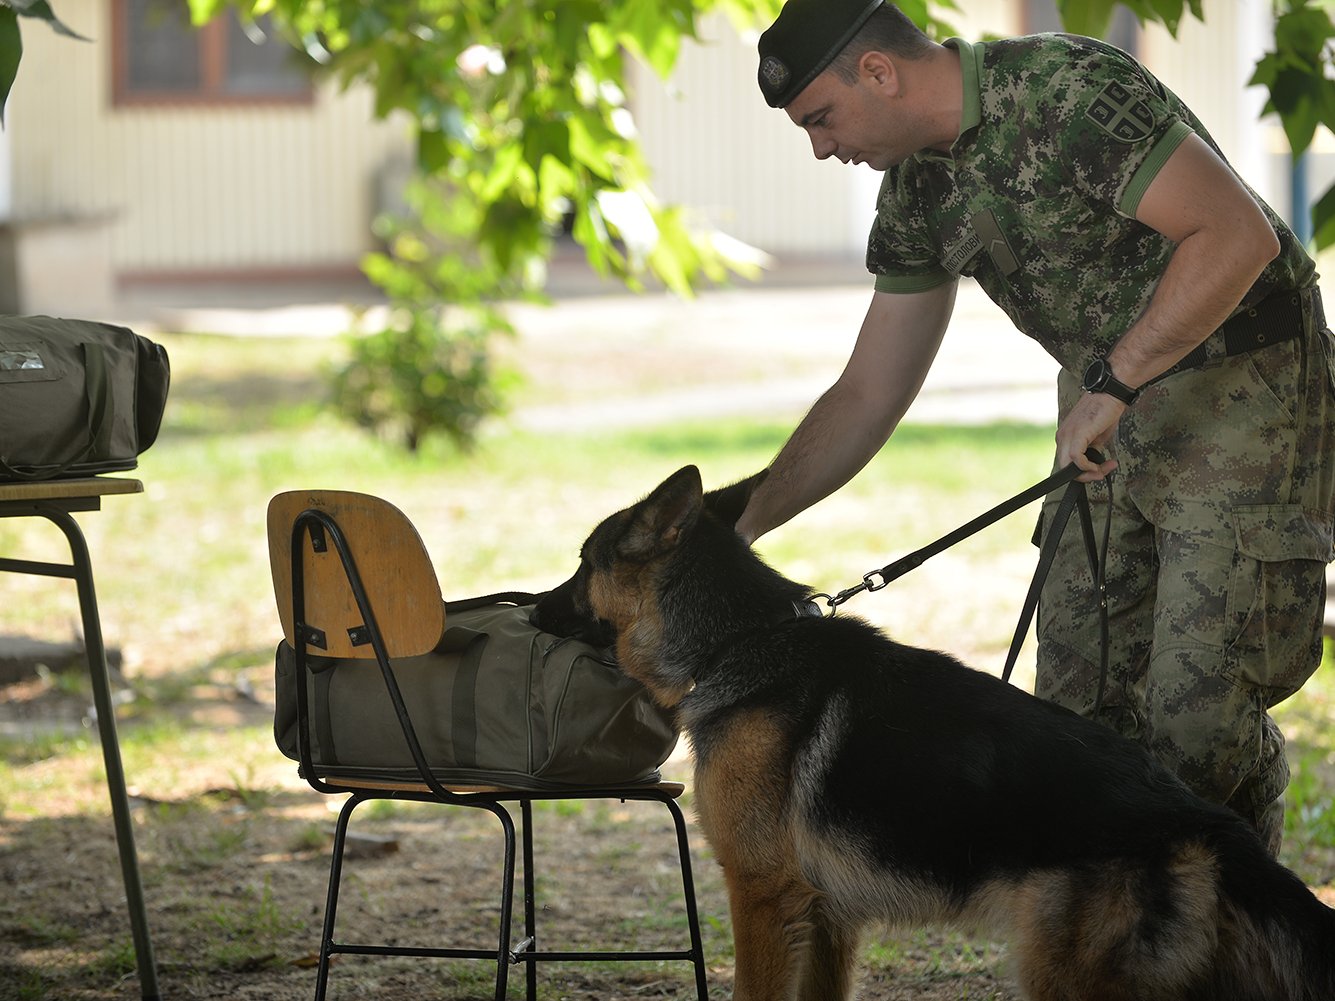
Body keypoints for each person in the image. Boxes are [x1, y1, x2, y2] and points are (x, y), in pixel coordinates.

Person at [737, 0, 1335, 855]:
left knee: (1198, 718)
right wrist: (742, 524)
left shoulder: (1066, 88)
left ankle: (1233, 929)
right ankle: (1116, 945)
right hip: (1104, 412)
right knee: (1076, 713)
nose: (822, 147)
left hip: (1247, 389)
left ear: (878, 71)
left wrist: (1118, 378)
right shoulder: (915, 190)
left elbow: (1236, 235)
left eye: (820, 118)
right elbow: (868, 390)